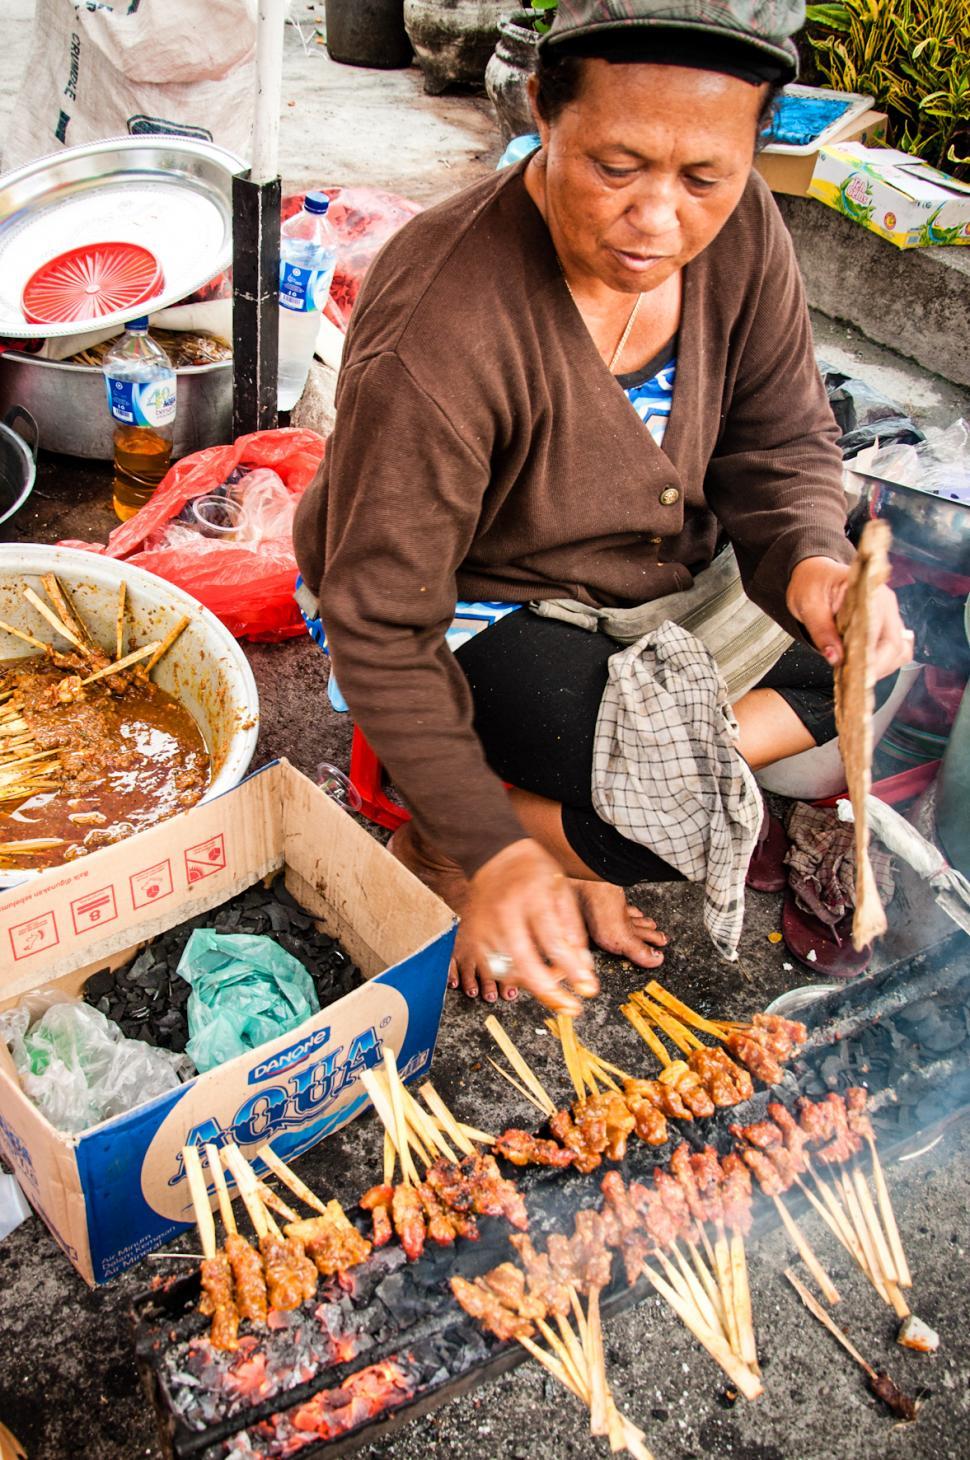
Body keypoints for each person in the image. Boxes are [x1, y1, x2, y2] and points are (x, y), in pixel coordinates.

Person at [293, 0, 913, 1015]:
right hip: (487, 600)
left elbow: (780, 443)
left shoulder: (744, 227)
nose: (659, 217)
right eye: (616, 166)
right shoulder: (442, 321)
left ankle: (595, 804)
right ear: (543, 109)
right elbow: (381, 620)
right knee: (676, 819)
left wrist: (810, 567)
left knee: (866, 662)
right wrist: (496, 857)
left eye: (704, 175)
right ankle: (453, 832)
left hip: (662, 579)